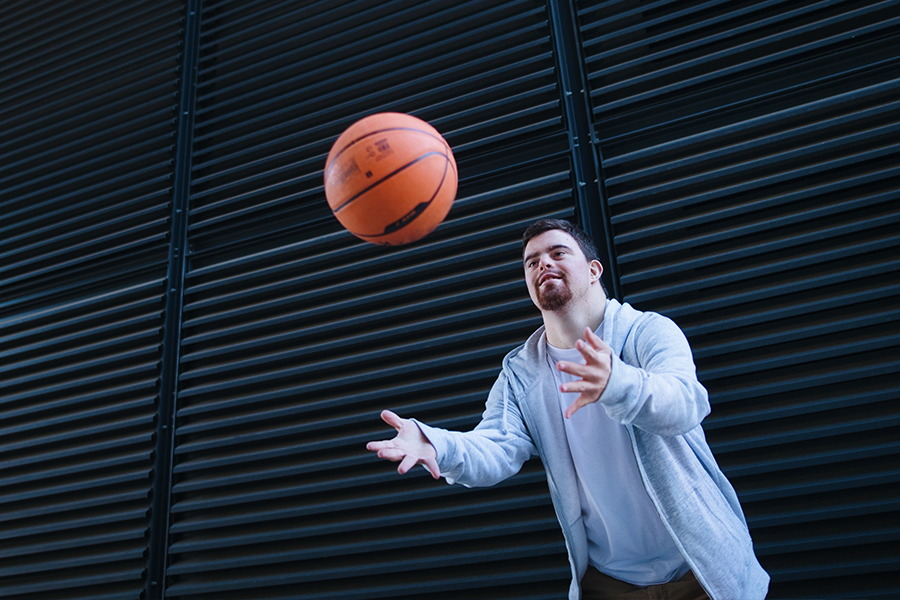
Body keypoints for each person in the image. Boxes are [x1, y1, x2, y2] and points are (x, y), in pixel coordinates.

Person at [367, 218, 769, 600]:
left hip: (703, 571)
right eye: (532, 261)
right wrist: (438, 446)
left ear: (594, 270)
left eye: (558, 253)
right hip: (610, 583)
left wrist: (617, 383)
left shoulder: (647, 331)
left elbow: (684, 403)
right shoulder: (521, 372)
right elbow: (497, 447)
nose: (544, 262)